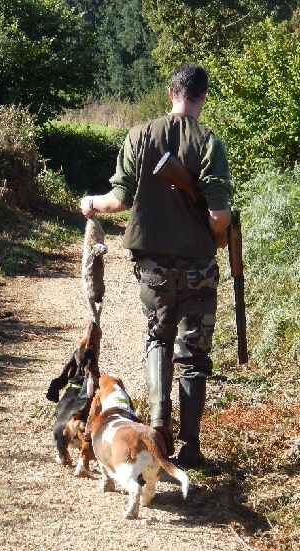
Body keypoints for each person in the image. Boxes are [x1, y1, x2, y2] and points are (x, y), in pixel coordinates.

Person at [80, 62, 231, 468]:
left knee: (158, 338)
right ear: (202, 96)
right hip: (198, 263)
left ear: (171, 93)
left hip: (152, 264)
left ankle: (159, 428)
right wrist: (215, 239)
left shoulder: (139, 135)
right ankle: (191, 447)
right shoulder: (211, 144)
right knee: (194, 353)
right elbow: (219, 219)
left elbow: (120, 201)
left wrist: (91, 204)